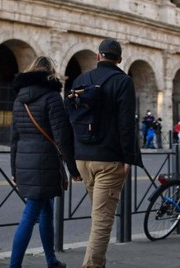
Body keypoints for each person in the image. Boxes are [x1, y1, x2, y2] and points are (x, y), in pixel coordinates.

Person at [70, 38, 142, 268]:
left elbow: (71, 118)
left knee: (98, 215)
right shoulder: (123, 81)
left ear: (98, 56)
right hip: (109, 160)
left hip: (83, 157)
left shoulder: (81, 79)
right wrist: (128, 158)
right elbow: (125, 125)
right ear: (119, 59)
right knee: (102, 220)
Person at [9, 56, 81, 268]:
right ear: (50, 73)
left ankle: (51, 260)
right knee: (31, 213)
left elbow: (14, 138)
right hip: (45, 161)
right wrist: (73, 168)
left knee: (46, 209)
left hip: (24, 159)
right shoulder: (52, 97)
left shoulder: (18, 99)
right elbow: (62, 137)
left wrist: (14, 169)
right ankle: (13, 266)